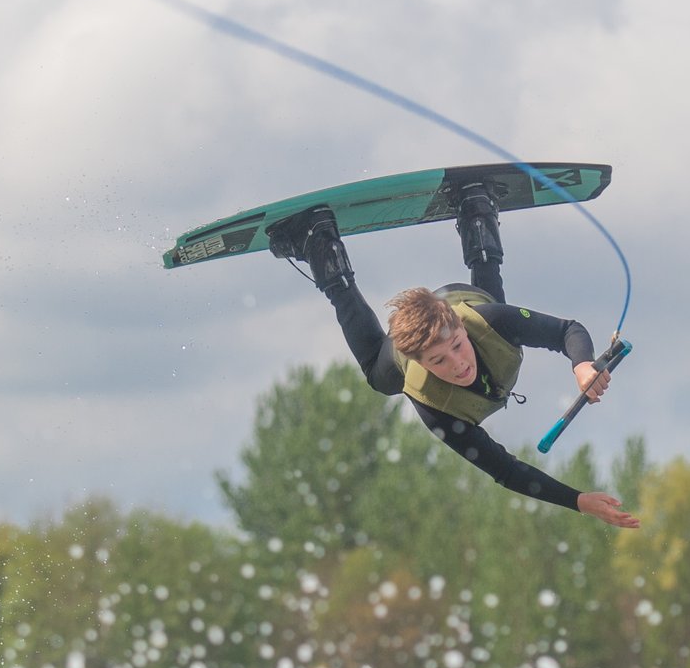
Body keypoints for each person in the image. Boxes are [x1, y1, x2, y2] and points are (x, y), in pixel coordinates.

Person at [266, 181, 640, 530]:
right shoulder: (432, 403)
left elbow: (566, 331)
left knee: (496, 317)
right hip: (405, 345)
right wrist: (577, 500)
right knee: (379, 380)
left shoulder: (485, 321)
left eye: (456, 347)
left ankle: (477, 208)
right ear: (422, 363)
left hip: (465, 300)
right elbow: (504, 469)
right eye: (439, 361)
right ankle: (323, 242)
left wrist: (583, 365)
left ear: (460, 329)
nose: (457, 365)